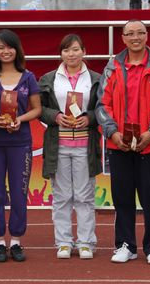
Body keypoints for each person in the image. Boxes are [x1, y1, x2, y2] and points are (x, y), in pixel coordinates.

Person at [96, 19, 150, 264]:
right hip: (119, 143)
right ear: (122, 38)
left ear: (147, 35)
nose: (135, 38)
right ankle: (125, 245)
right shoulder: (112, 67)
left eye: (140, 33)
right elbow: (102, 104)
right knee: (122, 197)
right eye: (130, 33)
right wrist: (113, 133)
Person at [38, 34, 102, 260]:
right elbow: (39, 108)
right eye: (66, 50)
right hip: (59, 146)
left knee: (84, 196)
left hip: (85, 146)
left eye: (75, 49)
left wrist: (89, 118)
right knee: (61, 196)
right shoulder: (49, 79)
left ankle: (86, 242)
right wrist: (55, 116)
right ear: (61, 54)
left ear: (84, 51)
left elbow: (103, 108)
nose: (71, 54)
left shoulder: (96, 79)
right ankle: (63, 242)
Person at [0, 29, 41, 263]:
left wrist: (20, 120)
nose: (5, 51)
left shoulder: (28, 77)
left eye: (10, 47)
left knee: (19, 192)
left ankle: (16, 241)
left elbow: (37, 109)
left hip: (20, 143)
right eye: (1, 47)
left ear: (17, 50)